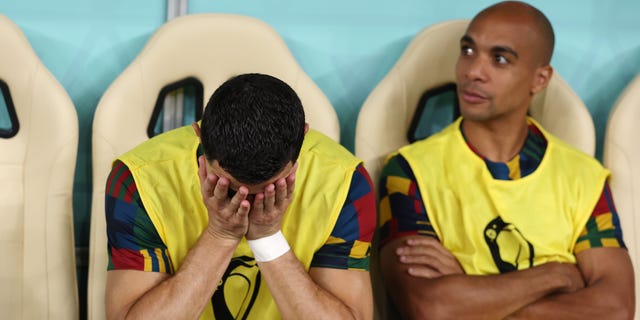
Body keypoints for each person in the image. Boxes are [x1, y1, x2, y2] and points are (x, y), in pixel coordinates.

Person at [377, 1, 635, 319]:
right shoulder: (409, 171)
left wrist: (470, 291)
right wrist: (557, 275)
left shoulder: (584, 177)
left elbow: (616, 309)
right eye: (468, 51)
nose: (472, 72)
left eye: (499, 59)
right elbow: (431, 308)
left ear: (540, 79)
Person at [104, 73, 376, 319]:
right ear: (199, 135)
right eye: (230, 186)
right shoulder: (138, 179)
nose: (246, 202)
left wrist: (268, 238)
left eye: (272, 187)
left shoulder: (346, 182)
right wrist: (219, 235)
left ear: (302, 138)